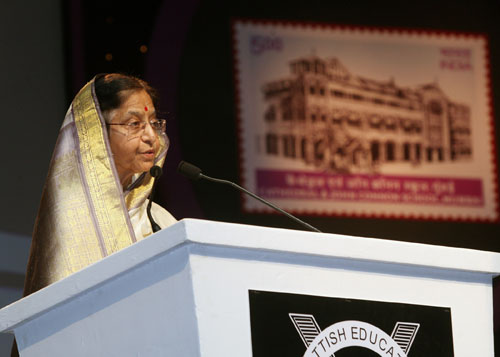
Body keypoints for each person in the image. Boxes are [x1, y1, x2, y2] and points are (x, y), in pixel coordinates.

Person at [11, 73, 176, 356]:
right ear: (95, 131)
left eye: (153, 123)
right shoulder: (68, 219)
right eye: (134, 124)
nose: (151, 136)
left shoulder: (160, 221)